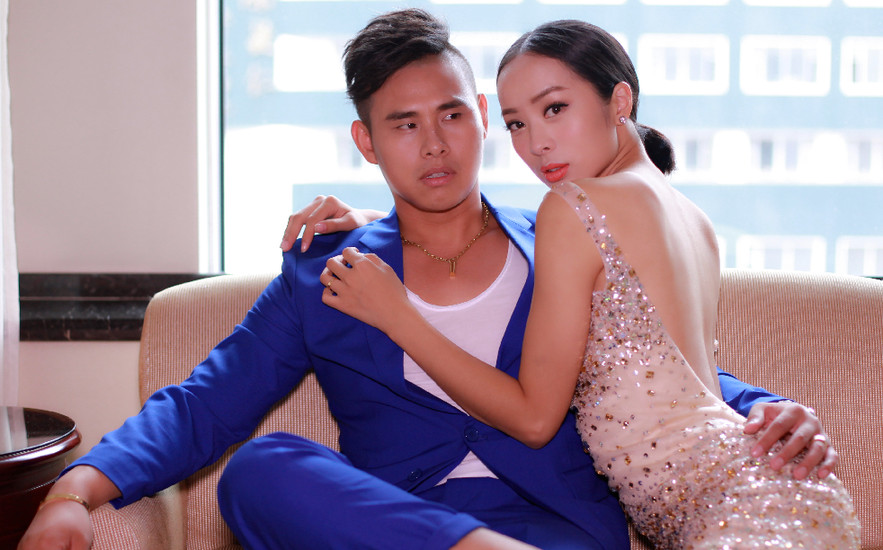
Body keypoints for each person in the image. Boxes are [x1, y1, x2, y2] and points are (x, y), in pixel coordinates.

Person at [22, 10, 836, 550]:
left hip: (554, 525)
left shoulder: (561, 236)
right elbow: (204, 403)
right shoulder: (326, 269)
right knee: (259, 469)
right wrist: (71, 492)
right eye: (404, 125)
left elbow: (645, 353)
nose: (436, 144)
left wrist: (762, 409)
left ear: (481, 115)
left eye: (451, 114)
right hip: (396, 528)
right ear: (366, 142)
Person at [314, 19, 860, 549]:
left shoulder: (573, 208)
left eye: (555, 108)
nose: (537, 143)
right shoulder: (695, 221)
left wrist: (399, 315)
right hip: (782, 495)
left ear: (619, 101)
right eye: (517, 124)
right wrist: (383, 225)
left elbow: (534, 419)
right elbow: (669, 371)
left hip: (746, 515)